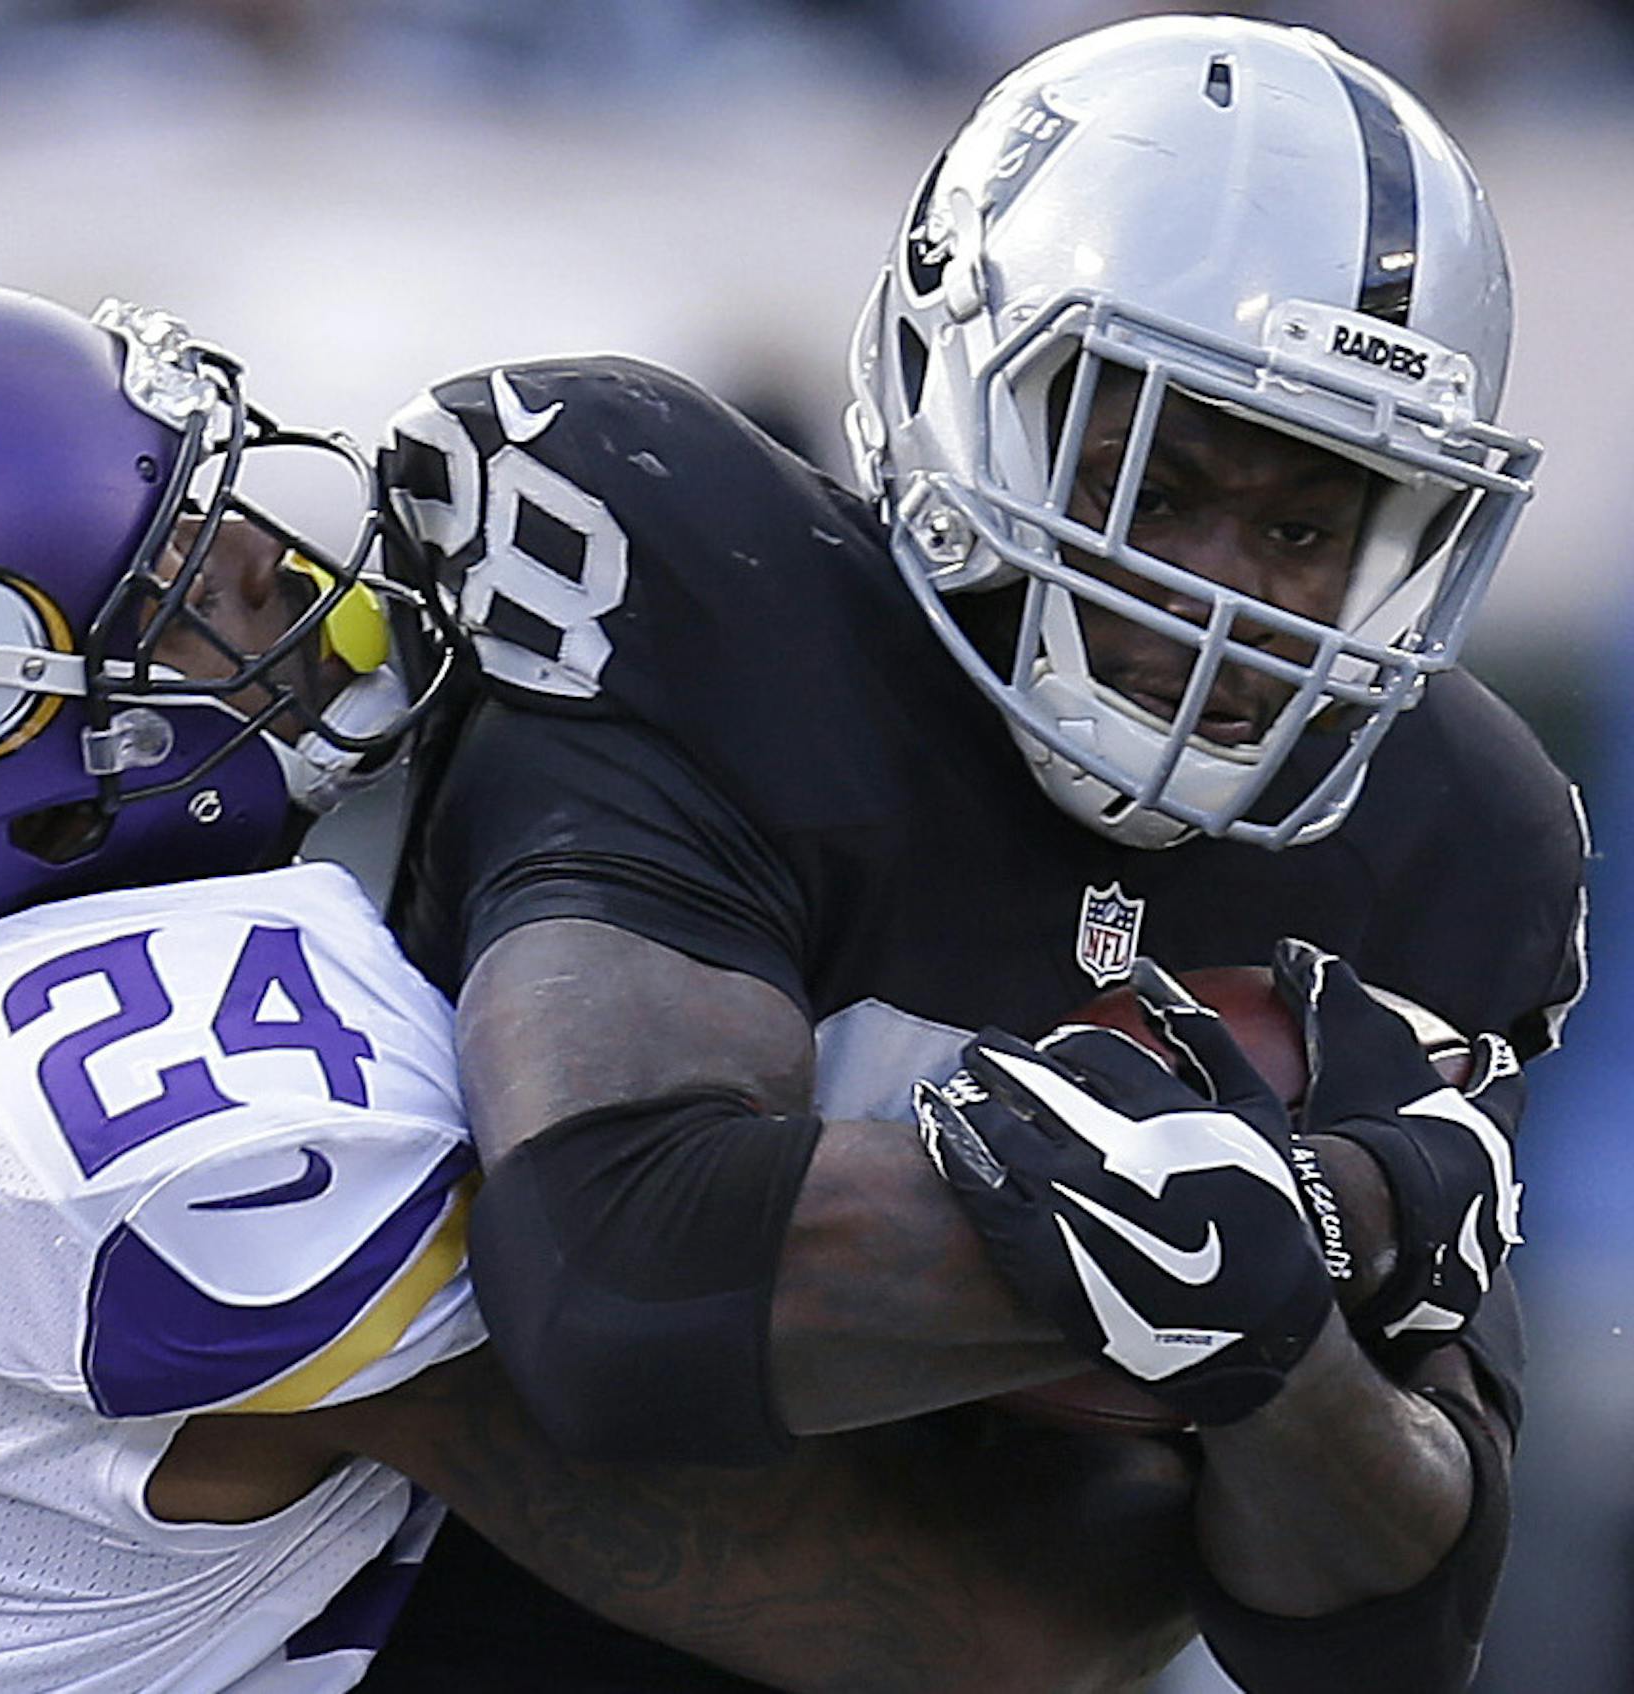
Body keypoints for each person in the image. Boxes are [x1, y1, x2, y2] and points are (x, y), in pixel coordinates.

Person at [0, 280, 1204, 1694]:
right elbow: (983, 1628)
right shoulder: (199, 1135)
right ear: (48, 801)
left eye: (209, 502)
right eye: (175, 591)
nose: (266, 560)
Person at [370, 14, 1588, 1693]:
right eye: (1151, 481)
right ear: (958, 372)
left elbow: (1390, 1626)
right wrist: (1335, 1223)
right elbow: (617, 1279)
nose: (1219, 593)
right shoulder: (725, 610)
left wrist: (1259, 1277)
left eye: (1305, 527)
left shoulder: (1450, 833)